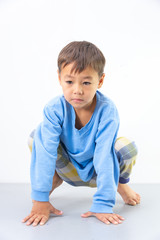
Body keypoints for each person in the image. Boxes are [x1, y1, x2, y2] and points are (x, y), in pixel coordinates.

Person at [22, 41, 140, 227]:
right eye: (69, 82)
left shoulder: (106, 110)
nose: (77, 90)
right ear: (59, 79)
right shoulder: (54, 109)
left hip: (97, 171)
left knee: (126, 146)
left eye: (86, 82)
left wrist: (103, 204)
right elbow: (46, 152)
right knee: (36, 135)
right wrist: (40, 199)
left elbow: (104, 154)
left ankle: (119, 183)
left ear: (100, 81)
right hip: (67, 168)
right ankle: (54, 178)